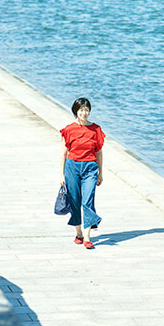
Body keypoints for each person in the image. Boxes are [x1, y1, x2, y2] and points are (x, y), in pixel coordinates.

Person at [60, 97, 105, 249]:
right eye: (81, 110)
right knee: (75, 201)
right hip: (72, 167)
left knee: (88, 200)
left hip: (90, 168)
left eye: (86, 110)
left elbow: (99, 153)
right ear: (76, 111)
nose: (84, 113)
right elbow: (64, 153)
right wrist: (61, 175)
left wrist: (100, 173)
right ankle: (78, 233)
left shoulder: (96, 129)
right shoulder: (69, 129)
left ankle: (87, 237)